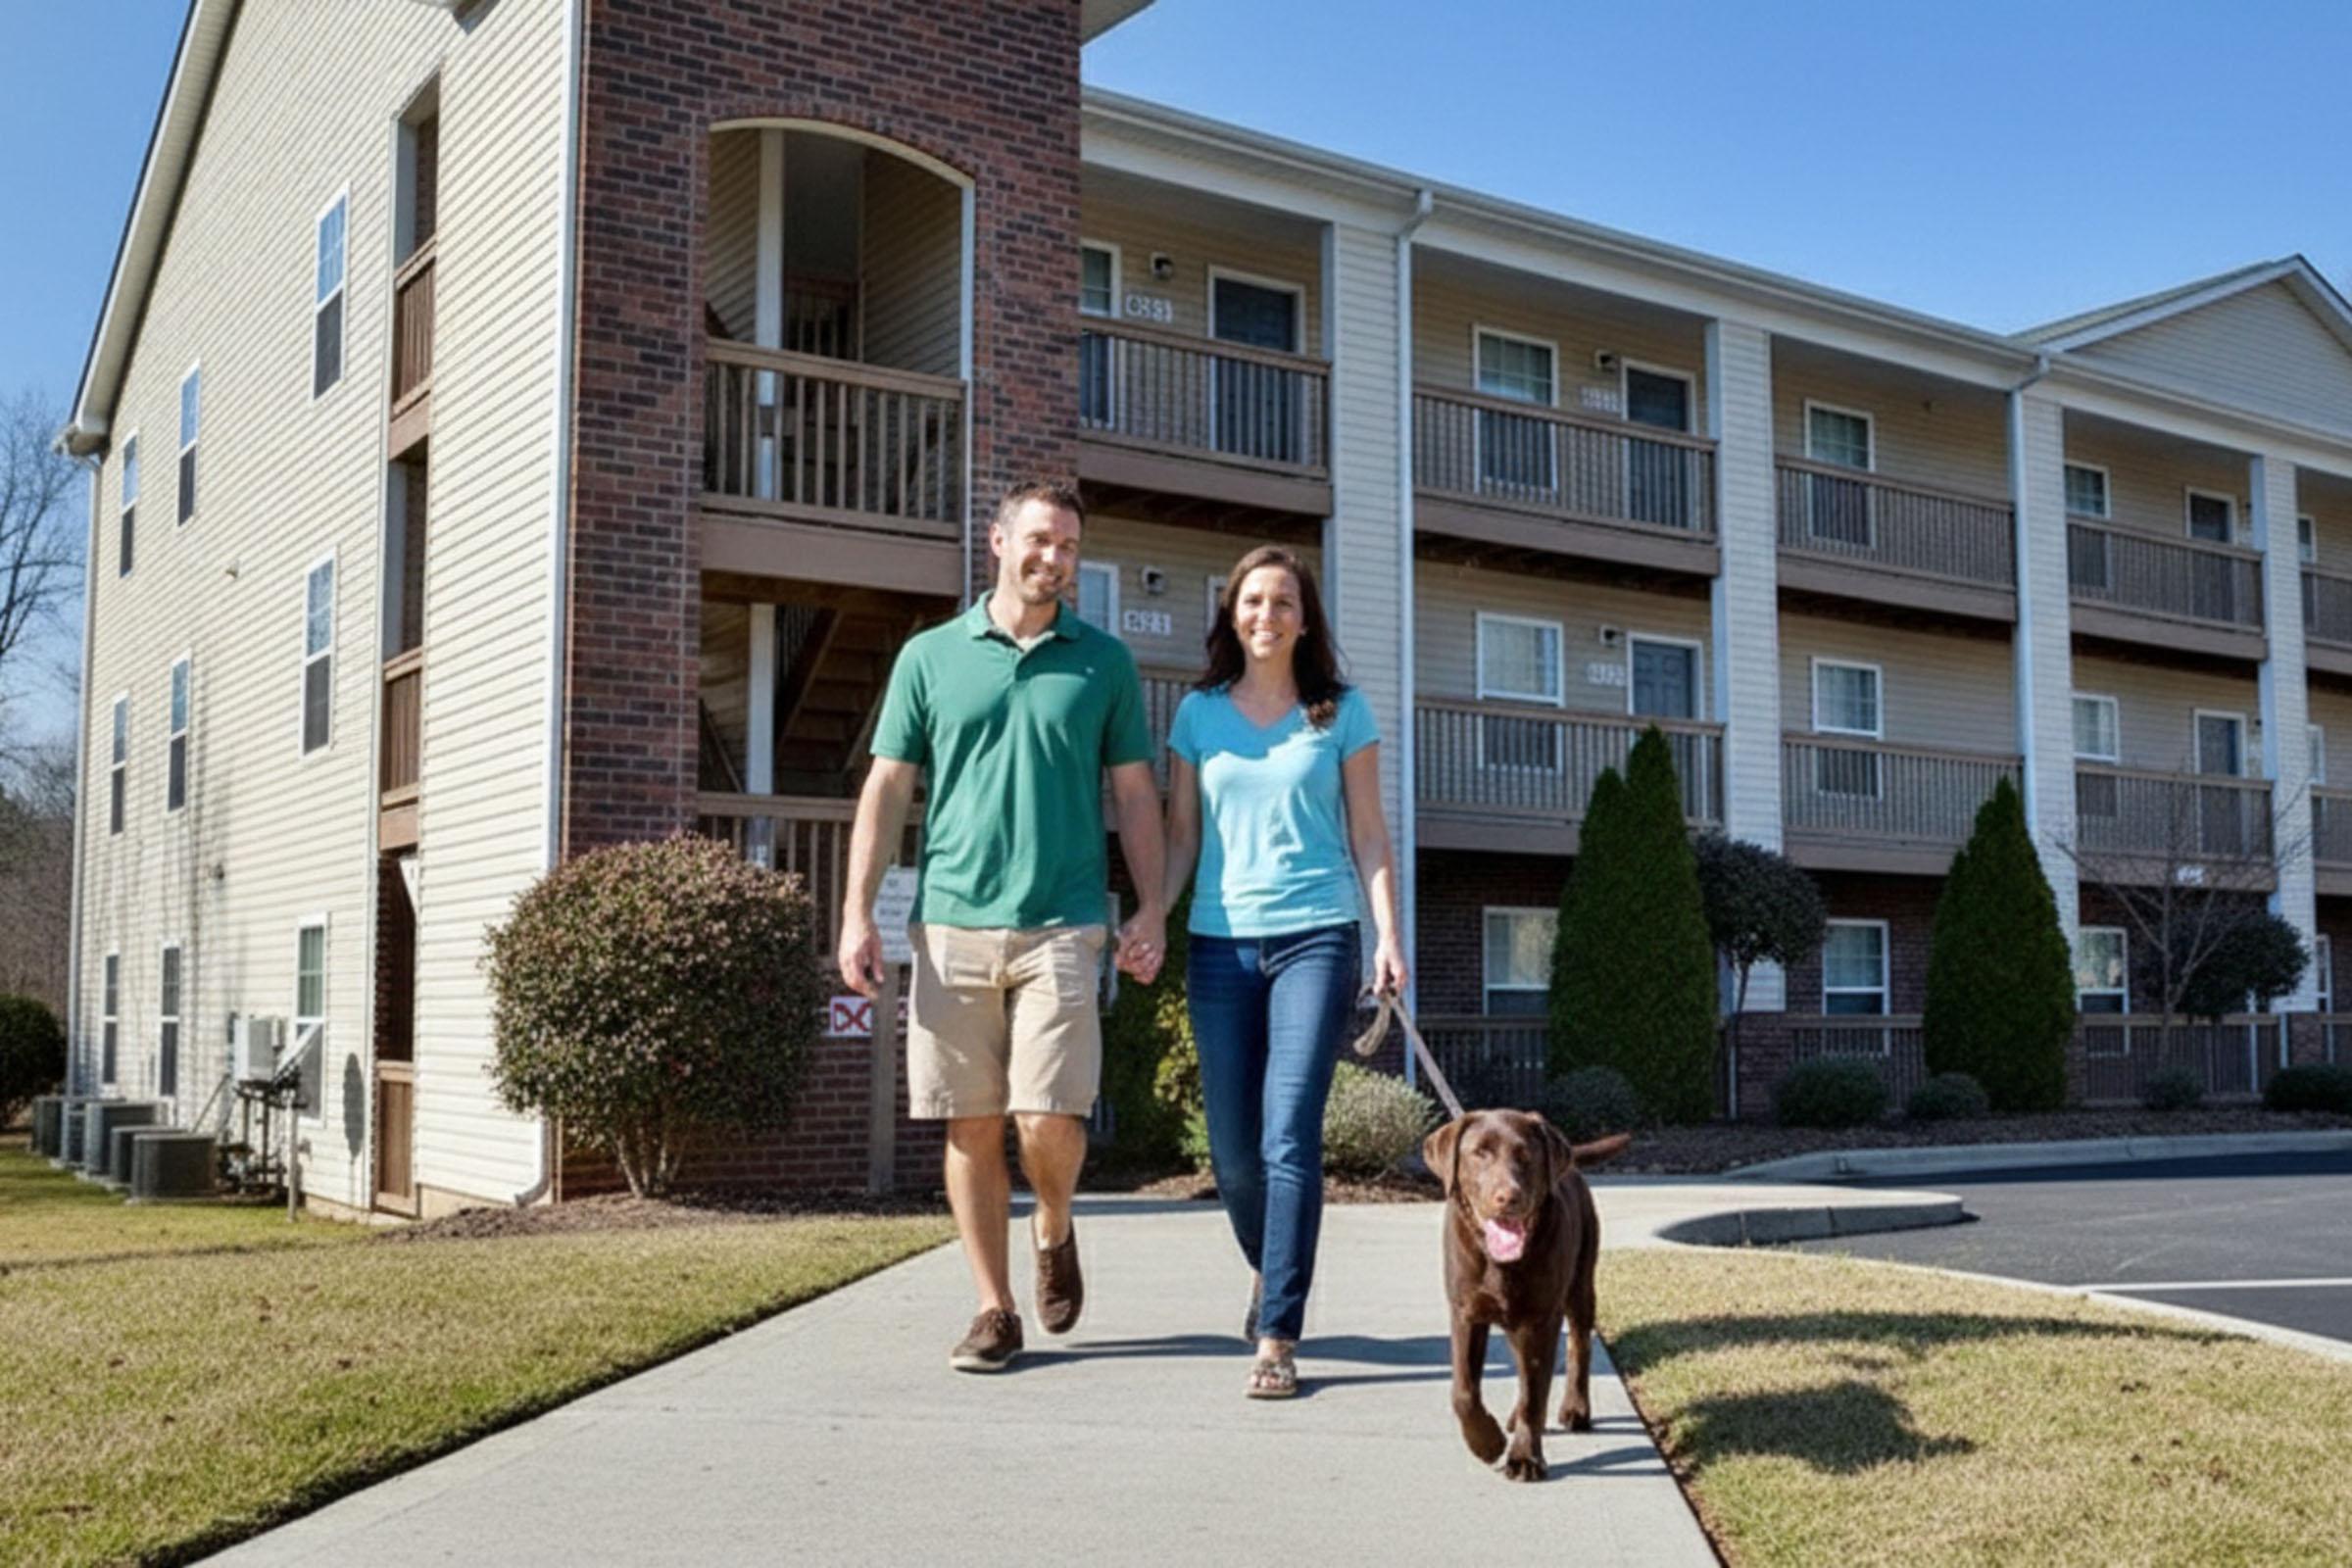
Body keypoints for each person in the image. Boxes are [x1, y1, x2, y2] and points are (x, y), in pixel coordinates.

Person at [840, 480, 1165, 1374]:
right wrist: (856, 911)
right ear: (997, 541)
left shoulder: (1103, 663)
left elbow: (1135, 792)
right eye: (1038, 540)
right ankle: (993, 1308)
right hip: (951, 925)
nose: (1052, 558)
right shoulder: (931, 657)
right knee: (968, 1123)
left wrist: (1149, 907)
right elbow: (888, 787)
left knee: (1046, 1114)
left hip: (1063, 920)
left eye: (1067, 546)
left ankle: (1053, 1222)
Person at [1160, 543, 1406, 1398]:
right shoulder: (1196, 715)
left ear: (1306, 619)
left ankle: (1278, 1333)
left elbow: (1370, 834)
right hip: (1219, 944)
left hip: (1318, 936)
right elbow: (1183, 833)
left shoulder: (1340, 712)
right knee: (1233, 1157)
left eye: (1284, 602)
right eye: (1252, 601)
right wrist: (1150, 912)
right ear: (1233, 614)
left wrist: (1387, 934)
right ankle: (1272, 1268)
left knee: (1288, 1135)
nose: (1267, 615)